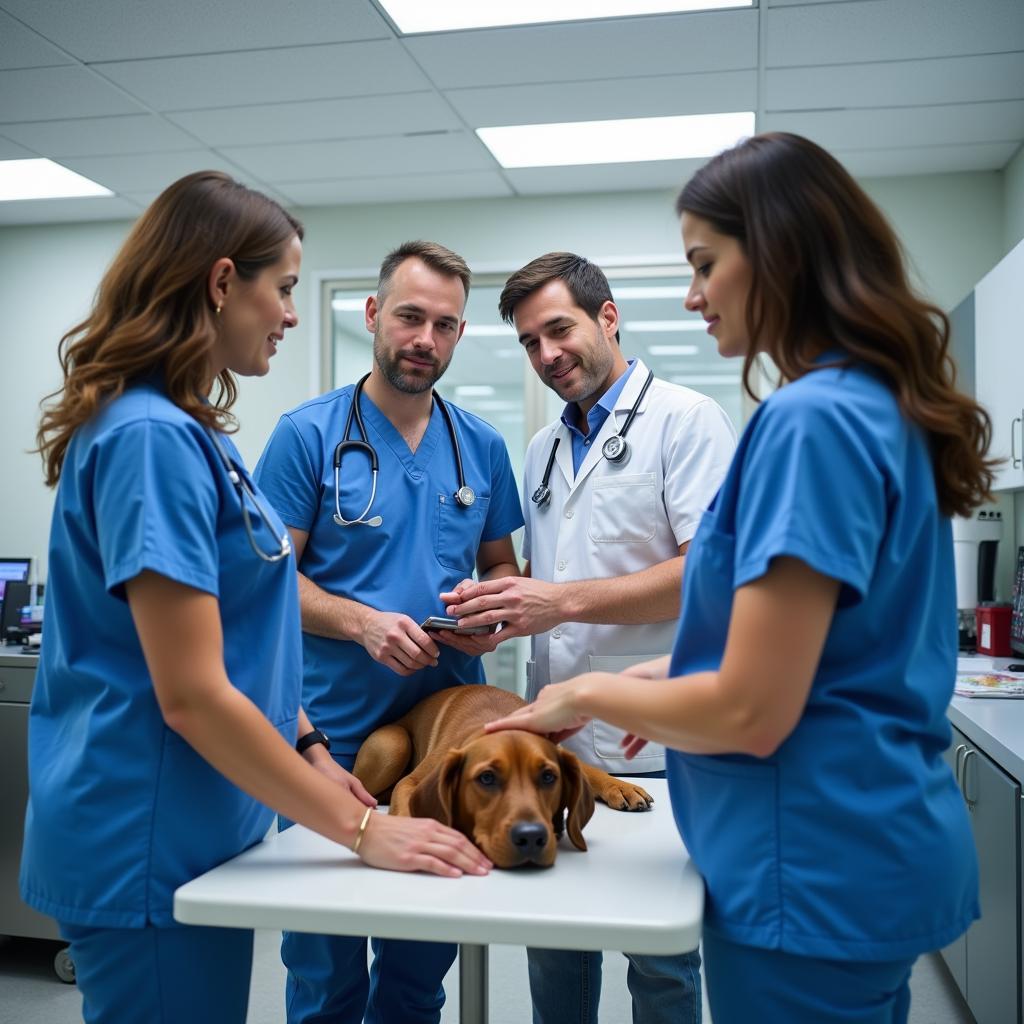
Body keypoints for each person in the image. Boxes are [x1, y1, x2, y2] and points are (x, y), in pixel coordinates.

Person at [484, 132, 992, 1024]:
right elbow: (799, 651)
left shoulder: (809, 423)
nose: (692, 295)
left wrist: (599, 689)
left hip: (813, 858)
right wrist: (632, 685)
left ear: (781, 255)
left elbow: (755, 706)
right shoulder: (861, 402)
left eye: (706, 263)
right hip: (843, 845)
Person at [21, 174, 490, 1024]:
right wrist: (359, 830)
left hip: (206, 820)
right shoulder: (151, 441)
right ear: (220, 282)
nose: (292, 314)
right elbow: (194, 693)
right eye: (283, 289)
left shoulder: (188, 433)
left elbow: (244, 637)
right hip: (146, 832)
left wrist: (311, 748)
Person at [441, 251, 736, 1023]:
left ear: (609, 317)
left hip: (658, 742)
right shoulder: (543, 449)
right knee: (557, 952)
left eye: (560, 330)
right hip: (558, 754)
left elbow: (709, 573)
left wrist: (561, 601)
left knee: (662, 959)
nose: (547, 355)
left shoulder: (688, 420)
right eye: (530, 342)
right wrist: (499, 613)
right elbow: (561, 575)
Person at [253, 239, 524, 1024]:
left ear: (459, 336)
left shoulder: (482, 447)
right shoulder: (306, 438)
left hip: (445, 756)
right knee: (325, 972)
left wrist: (491, 613)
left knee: (417, 971)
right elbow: (269, 589)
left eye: (444, 325)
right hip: (326, 742)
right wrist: (362, 622)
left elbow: (505, 570)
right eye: (410, 317)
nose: (424, 340)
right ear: (374, 315)